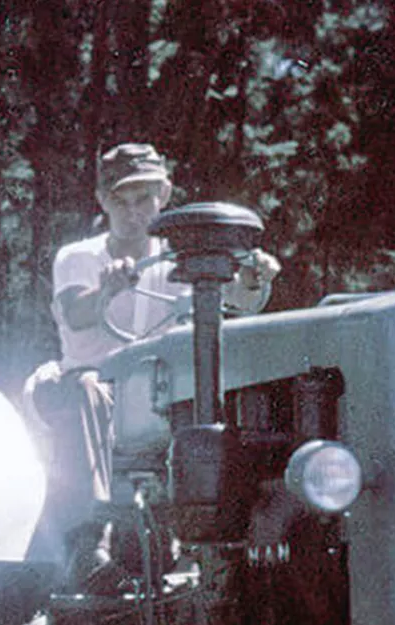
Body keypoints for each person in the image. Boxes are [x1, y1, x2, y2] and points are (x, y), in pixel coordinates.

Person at [23, 143, 278, 583]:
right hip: (81, 390)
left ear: (164, 195)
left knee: (218, 398)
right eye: (119, 200)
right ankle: (91, 539)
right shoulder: (79, 257)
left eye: (143, 198)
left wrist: (253, 281)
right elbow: (76, 313)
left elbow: (233, 301)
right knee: (90, 386)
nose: (132, 211)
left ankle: (208, 547)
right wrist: (106, 292)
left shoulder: (185, 262)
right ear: (102, 201)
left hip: (153, 398)